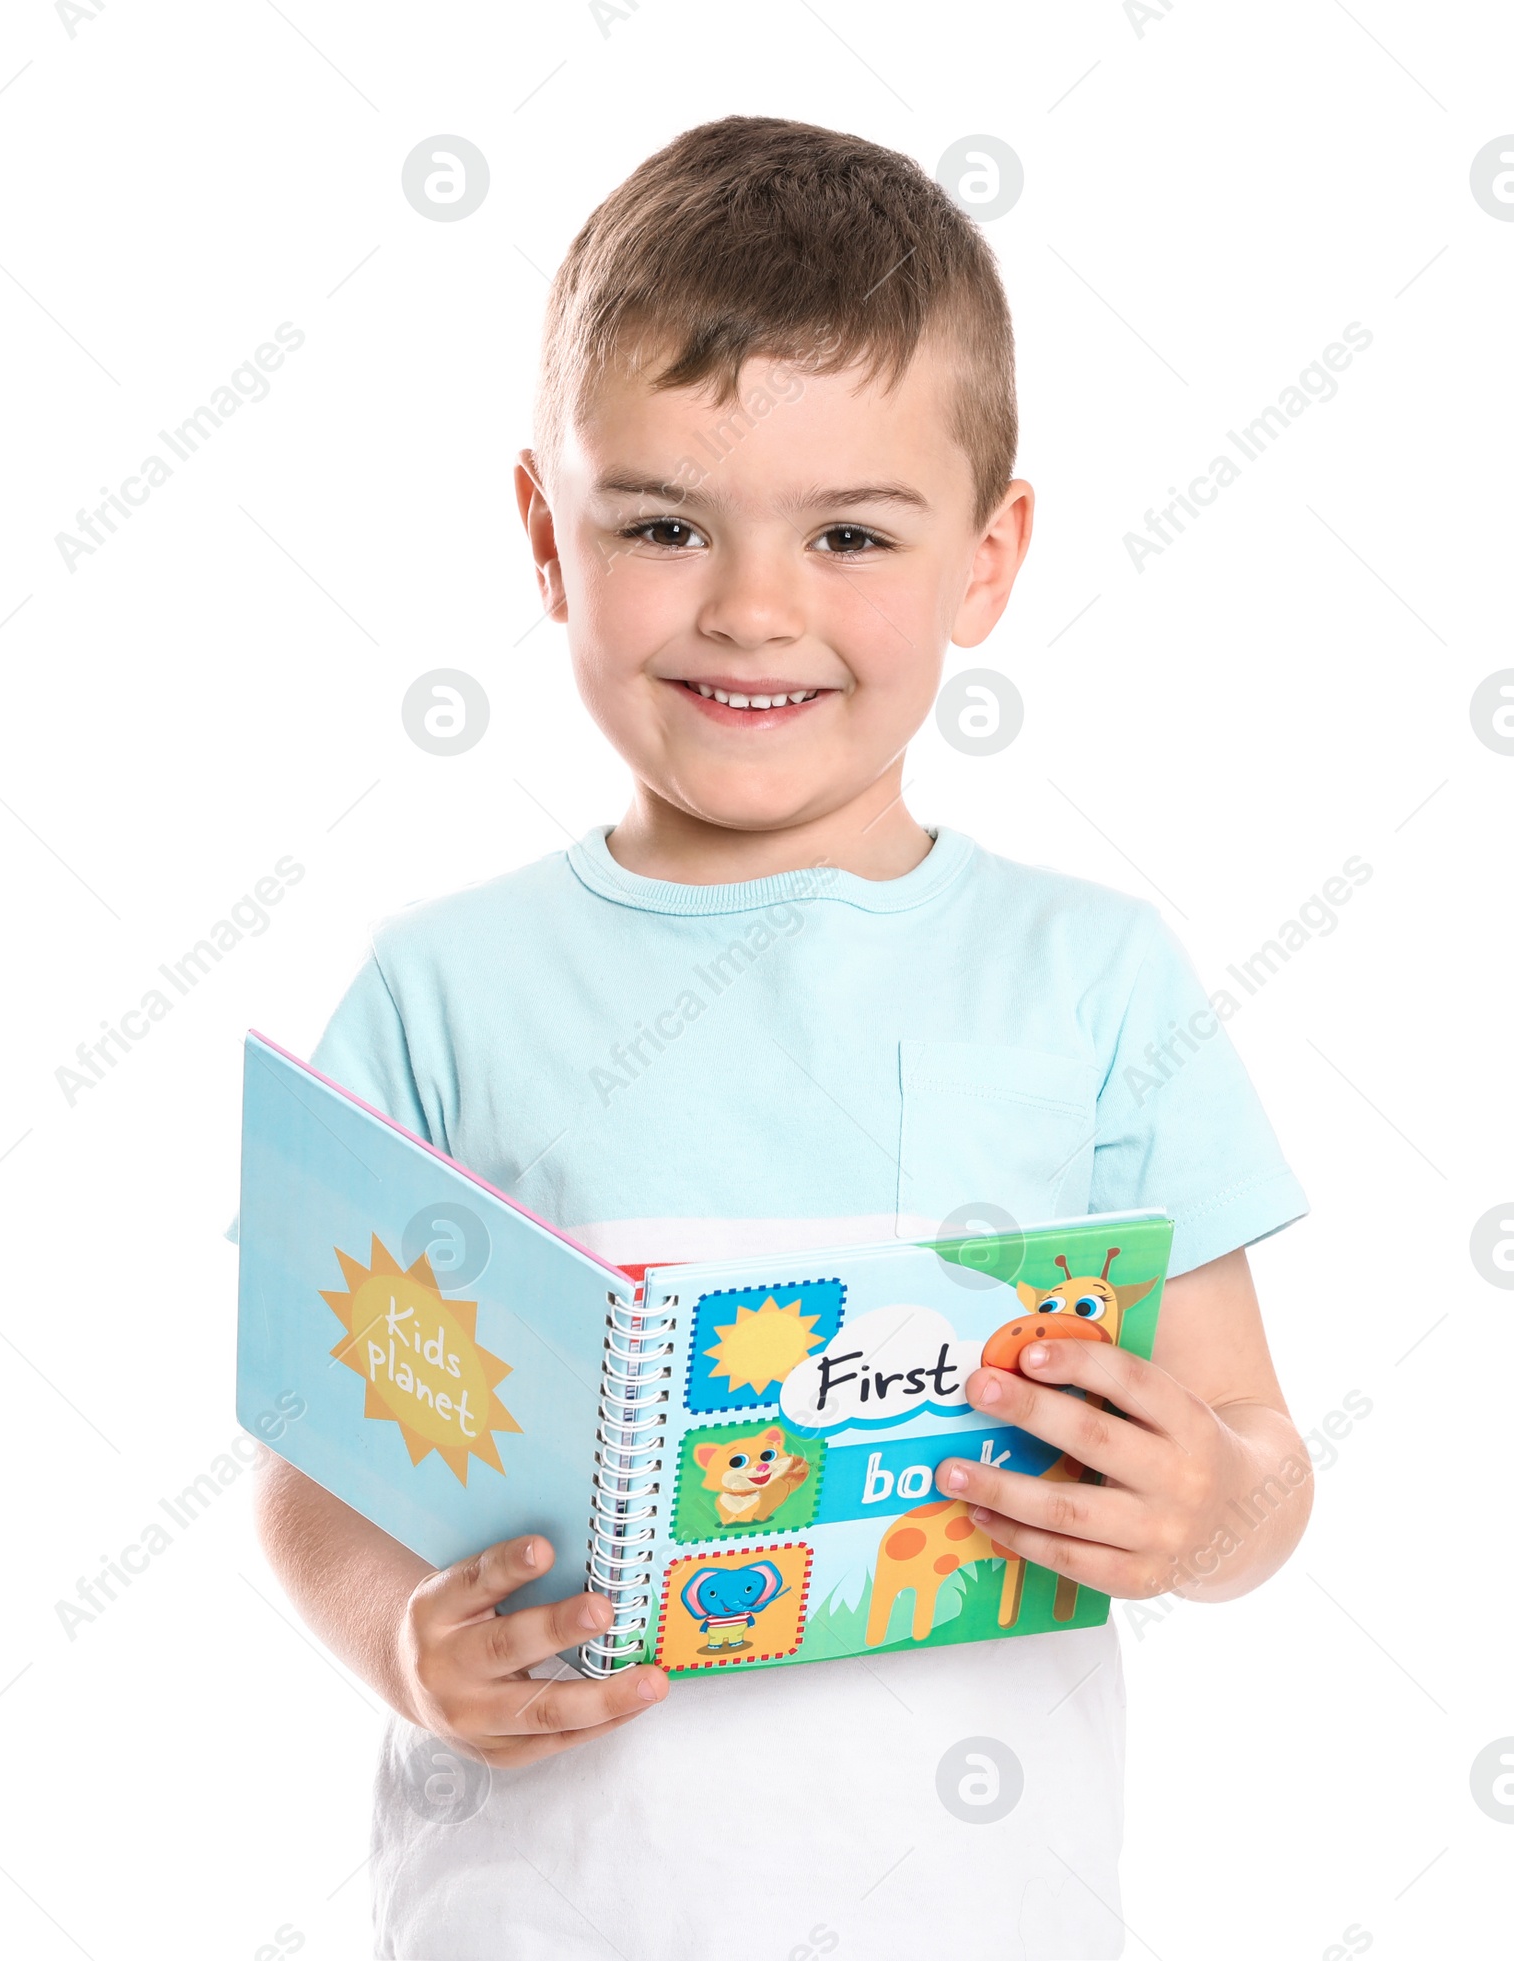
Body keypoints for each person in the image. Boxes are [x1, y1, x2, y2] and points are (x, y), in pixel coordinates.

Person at [254, 115, 1312, 1958]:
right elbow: (311, 1471)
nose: (752, 607)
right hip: (536, 1914)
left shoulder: (1094, 979)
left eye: (850, 534)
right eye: (663, 524)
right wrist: (400, 1646)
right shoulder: (436, 993)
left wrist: (1205, 1506)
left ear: (988, 560)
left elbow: (1258, 1451)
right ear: (543, 534)